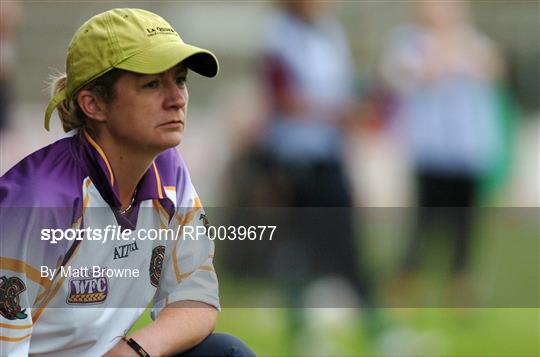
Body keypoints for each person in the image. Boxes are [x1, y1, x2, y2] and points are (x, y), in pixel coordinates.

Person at [0, 8, 253, 356]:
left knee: (225, 352)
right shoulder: (38, 201)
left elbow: (197, 298)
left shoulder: (168, 171)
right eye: (152, 84)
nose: (176, 99)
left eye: (179, 80)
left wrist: (134, 349)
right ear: (94, 104)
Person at [380, 1, 504, 280]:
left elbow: (494, 70)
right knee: (423, 222)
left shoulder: (473, 41)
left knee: (465, 224)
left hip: (466, 150)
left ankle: (460, 283)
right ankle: (407, 278)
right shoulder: (408, 40)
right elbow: (405, 76)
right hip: (430, 149)